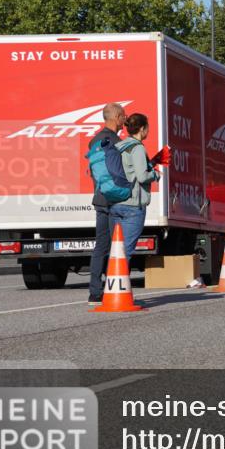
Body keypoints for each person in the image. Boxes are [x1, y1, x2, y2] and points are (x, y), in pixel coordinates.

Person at [87, 102, 127, 305]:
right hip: (115, 199)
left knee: (101, 245)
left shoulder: (94, 140)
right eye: (124, 116)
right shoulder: (115, 142)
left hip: (100, 198)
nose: (125, 120)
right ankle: (115, 287)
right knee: (117, 245)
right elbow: (119, 172)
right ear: (117, 117)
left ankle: (95, 292)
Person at [111, 113, 161, 261]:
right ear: (142, 129)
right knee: (126, 250)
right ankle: (119, 282)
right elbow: (142, 176)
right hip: (132, 205)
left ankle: (112, 280)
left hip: (116, 202)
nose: (148, 131)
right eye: (147, 128)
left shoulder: (120, 145)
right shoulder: (137, 148)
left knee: (116, 249)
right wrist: (156, 175)